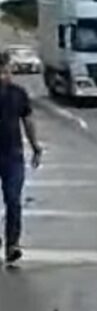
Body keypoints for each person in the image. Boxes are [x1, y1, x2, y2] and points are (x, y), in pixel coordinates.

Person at [0, 52, 43, 264]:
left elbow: (27, 120)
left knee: (13, 200)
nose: (3, 75)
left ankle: (12, 245)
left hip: (13, 156)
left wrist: (35, 146)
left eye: (6, 71)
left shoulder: (19, 93)